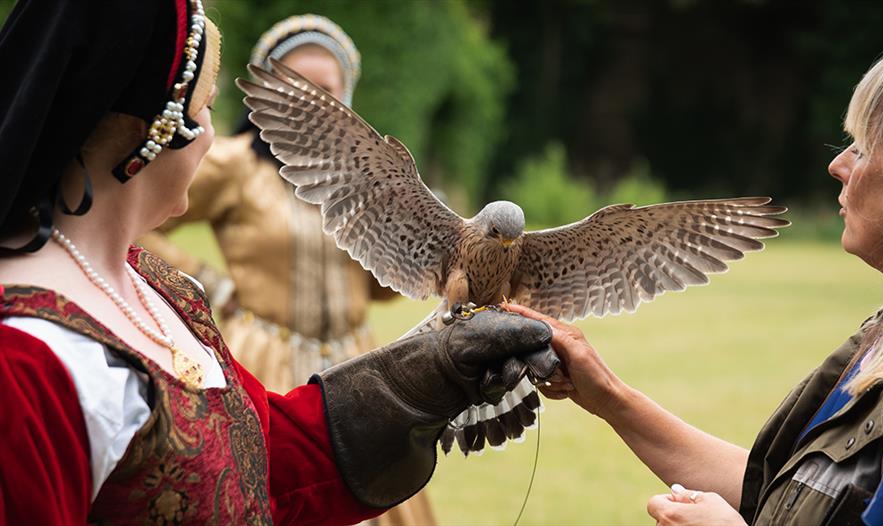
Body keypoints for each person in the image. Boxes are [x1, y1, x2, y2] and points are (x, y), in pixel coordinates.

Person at [0, 2, 554, 524]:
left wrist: (425, 375)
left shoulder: (157, 290)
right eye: (208, 106)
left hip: (340, 350)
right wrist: (220, 282)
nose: (217, 133)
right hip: (271, 342)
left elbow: (260, 465)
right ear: (154, 131)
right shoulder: (25, 357)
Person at [507, 47, 883, 526]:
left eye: (860, 148)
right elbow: (772, 488)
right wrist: (605, 393)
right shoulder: (880, 342)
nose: (837, 164)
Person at [141, 14, 396, 396]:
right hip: (263, 374)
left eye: (326, 89)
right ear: (267, 93)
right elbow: (139, 219)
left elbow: (382, 292)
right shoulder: (235, 165)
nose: (314, 103)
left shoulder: (360, 180)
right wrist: (208, 285)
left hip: (356, 375)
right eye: (296, 87)